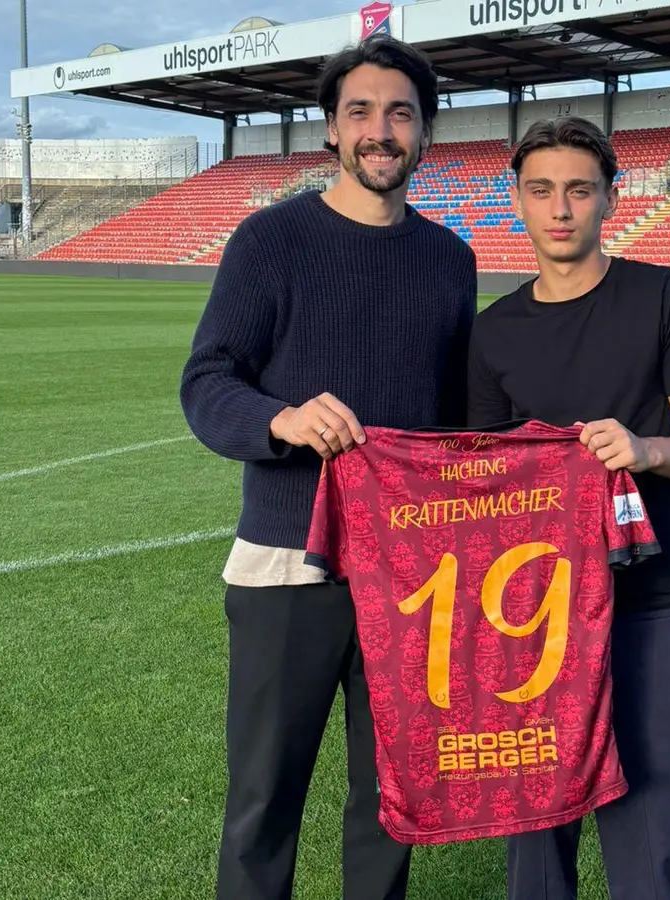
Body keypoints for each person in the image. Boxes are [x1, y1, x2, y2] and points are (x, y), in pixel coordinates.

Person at [179, 33, 477, 900]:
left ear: (425, 132)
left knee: (391, 801)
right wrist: (281, 418)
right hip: (287, 564)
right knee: (264, 801)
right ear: (333, 130)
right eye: (361, 112)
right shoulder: (271, 241)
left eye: (400, 114)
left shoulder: (450, 259)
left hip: (409, 570)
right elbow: (206, 382)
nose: (381, 130)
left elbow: (459, 419)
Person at [466, 116, 670, 900]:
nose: (561, 208)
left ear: (610, 198)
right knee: (537, 841)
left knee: (654, 835)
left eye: (580, 190)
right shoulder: (492, 332)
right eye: (542, 190)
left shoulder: (661, 296)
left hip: (648, 606)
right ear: (517, 199)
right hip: (533, 618)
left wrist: (646, 451)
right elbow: (480, 481)